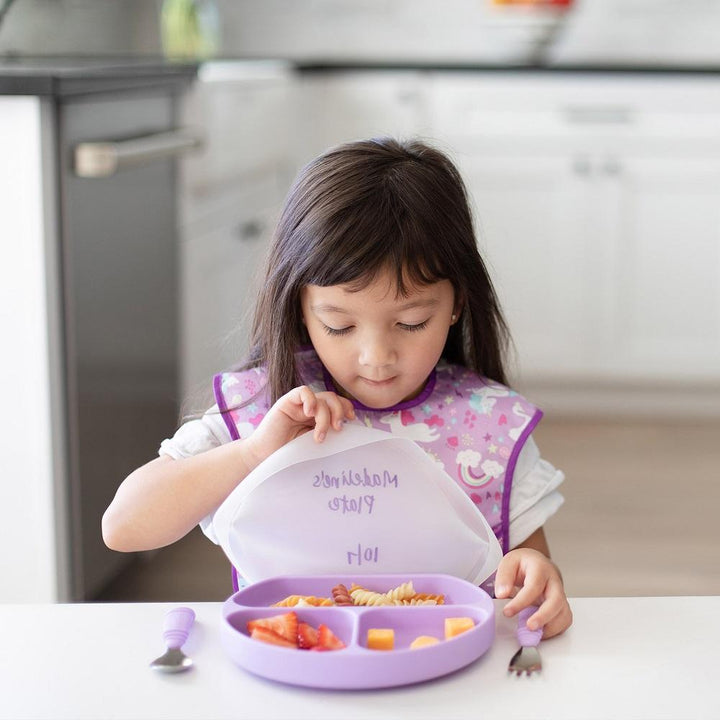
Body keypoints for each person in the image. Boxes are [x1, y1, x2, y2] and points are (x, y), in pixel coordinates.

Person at [103, 137, 572, 638]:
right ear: (300, 309)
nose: (376, 357)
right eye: (340, 326)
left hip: (443, 675)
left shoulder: (489, 425)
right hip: (294, 673)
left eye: (412, 322)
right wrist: (251, 453)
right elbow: (124, 527)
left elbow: (528, 573)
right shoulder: (263, 412)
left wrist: (538, 581)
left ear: (456, 304)